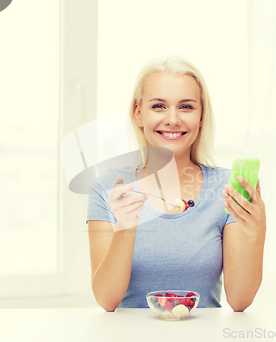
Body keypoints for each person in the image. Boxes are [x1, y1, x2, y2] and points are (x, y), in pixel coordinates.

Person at [86, 55, 266, 312]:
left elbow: (239, 301)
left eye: (186, 107)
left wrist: (256, 232)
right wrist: (125, 226)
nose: (172, 119)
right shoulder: (108, 188)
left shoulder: (225, 188)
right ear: (138, 114)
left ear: (201, 116)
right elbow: (106, 299)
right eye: (158, 106)